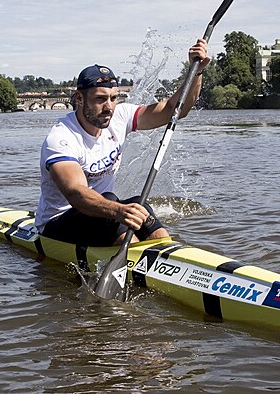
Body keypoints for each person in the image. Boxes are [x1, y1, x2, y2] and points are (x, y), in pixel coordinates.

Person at [36, 39, 211, 246]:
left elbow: (175, 110)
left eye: (113, 98)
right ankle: (137, 262)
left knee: (139, 203)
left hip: (103, 214)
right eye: (100, 99)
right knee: (111, 200)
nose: (109, 106)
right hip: (57, 225)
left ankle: (170, 253)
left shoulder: (120, 116)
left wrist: (196, 71)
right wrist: (119, 211)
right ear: (80, 99)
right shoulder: (61, 138)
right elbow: (76, 194)